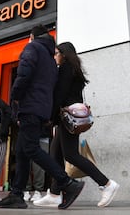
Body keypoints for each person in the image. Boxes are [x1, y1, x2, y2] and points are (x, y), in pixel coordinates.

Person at [0, 25, 85, 210]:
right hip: (41, 108)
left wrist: (15, 96)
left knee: (31, 148)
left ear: (32, 36)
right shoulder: (51, 59)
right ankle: (17, 194)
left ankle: (67, 183)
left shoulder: (33, 47)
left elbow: (24, 73)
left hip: (29, 106)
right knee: (22, 152)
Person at [34, 42, 120, 208]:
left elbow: (60, 95)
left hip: (68, 118)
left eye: (57, 53)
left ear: (64, 54)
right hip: (67, 119)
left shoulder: (66, 69)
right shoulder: (74, 70)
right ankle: (54, 194)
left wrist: (49, 118)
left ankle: (107, 184)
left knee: (71, 155)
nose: (55, 56)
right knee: (55, 155)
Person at [23, 125, 50, 202]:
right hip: (26, 134)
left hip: (42, 135)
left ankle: (38, 190)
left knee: (39, 165)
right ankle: (26, 189)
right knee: (25, 163)